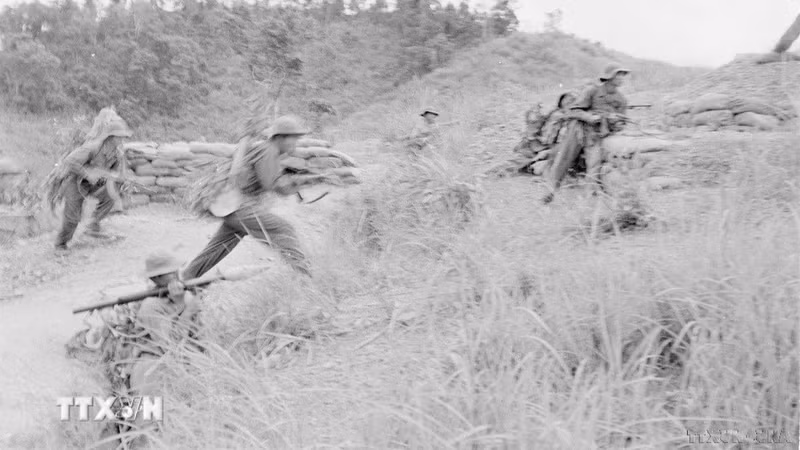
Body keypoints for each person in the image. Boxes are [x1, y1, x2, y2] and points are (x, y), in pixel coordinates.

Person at [182, 115, 313, 280]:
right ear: (280, 137)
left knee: (218, 247)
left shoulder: (269, 151)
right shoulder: (269, 150)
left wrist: (295, 182)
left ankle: (184, 278)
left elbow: (274, 185)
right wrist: (296, 181)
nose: (296, 143)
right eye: (293, 139)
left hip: (231, 206)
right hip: (239, 206)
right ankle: (306, 276)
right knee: (283, 229)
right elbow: (269, 184)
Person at [542, 64, 629, 204]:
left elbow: (621, 124)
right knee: (563, 159)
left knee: (594, 165)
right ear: (609, 77)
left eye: (623, 76)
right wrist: (590, 117)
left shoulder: (621, 100)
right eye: (618, 75)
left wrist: (615, 122)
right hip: (578, 130)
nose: (621, 79)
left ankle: (587, 200)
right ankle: (550, 191)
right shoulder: (592, 91)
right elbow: (573, 110)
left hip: (597, 135)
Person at [49, 108, 132, 250]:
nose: (122, 140)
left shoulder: (117, 153)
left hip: (93, 185)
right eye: (119, 137)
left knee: (111, 195)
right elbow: (69, 161)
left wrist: (119, 180)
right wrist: (87, 174)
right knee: (72, 219)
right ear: (110, 138)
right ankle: (61, 244)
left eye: (123, 137)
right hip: (75, 183)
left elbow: (114, 172)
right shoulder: (92, 147)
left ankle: (93, 225)